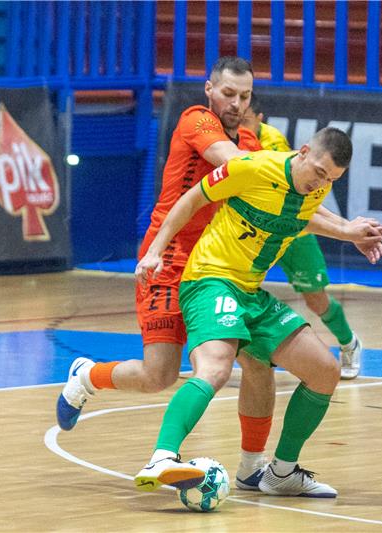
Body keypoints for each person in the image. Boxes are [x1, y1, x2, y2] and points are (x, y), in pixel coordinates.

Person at [132, 127, 382, 497]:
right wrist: (155, 250)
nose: (322, 182)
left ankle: (280, 473)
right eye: (319, 171)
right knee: (216, 367)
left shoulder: (316, 188)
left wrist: (349, 232)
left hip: (250, 291)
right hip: (211, 279)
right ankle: (162, 457)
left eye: (331, 179)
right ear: (302, 152)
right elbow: (192, 199)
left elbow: (301, 216)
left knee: (325, 370)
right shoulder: (251, 168)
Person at [55, 56, 273, 450]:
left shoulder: (254, 144)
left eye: (245, 96)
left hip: (216, 270)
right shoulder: (197, 121)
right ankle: (87, 377)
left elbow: (276, 193)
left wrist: (344, 228)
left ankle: (253, 466)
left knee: (254, 362)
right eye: (228, 93)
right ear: (209, 90)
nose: (236, 104)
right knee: (159, 375)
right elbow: (238, 166)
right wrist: (285, 169)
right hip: (168, 259)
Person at [240, 93, 363, 380]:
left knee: (315, 300)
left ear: (259, 118)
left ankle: (349, 343)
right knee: (233, 285)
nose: (241, 125)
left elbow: (299, 198)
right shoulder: (229, 139)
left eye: (246, 120)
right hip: (260, 229)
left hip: (294, 233)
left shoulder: (273, 143)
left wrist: (343, 227)